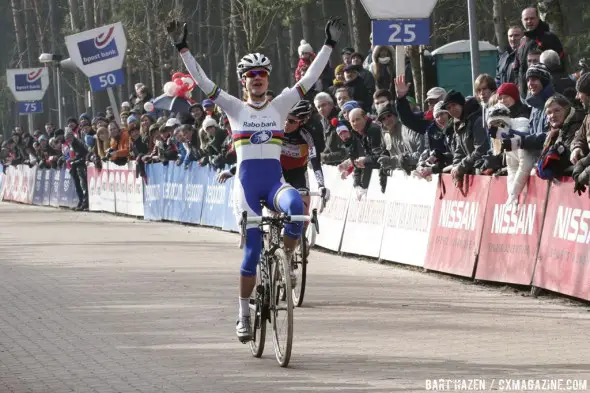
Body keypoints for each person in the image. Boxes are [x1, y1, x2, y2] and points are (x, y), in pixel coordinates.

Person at [167, 17, 344, 342]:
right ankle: (243, 314)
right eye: (251, 76)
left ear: (267, 79)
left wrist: (328, 45)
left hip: (275, 185)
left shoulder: (280, 106)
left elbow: (310, 77)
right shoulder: (233, 108)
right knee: (250, 255)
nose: (258, 79)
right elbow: (203, 81)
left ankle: (287, 258)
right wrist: (182, 48)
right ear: (244, 82)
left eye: (262, 74)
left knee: (296, 210)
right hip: (247, 190)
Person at [515, 7, 564, 96]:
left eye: (532, 18)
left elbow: (558, 65)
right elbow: (517, 67)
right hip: (525, 94)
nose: (529, 21)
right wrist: (518, 86)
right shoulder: (522, 41)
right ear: (522, 21)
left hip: (546, 93)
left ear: (538, 18)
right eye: (526, 19)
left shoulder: (549, 38)